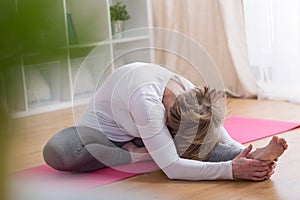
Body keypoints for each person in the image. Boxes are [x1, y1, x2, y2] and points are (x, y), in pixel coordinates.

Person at [43, 62, 288, 181]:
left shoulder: (189, 93)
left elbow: (214, 131)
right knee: (59, 152)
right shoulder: (146, 102)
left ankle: (255, 156)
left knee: (196, 143)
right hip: (102, 136)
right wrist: (230, 171)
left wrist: (244, 153)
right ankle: (142, 155)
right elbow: (171, 169)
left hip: (143, 132)